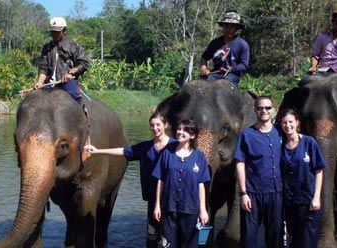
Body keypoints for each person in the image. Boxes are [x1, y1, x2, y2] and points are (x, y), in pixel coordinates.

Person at [84, 112, 174, 248]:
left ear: (165, 125)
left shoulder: (175, 146)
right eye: (152, 125)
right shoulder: (146, 147)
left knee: (169, 238)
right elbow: (124, 151)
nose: (155, 128)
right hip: (152, 199)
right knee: (152, 236)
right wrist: (97, 151)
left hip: (173, 199)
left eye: (158, 125)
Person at [234, 96, 283, 248]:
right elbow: (240, 163)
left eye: (268, 108)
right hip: (253, 193)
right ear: (255, 110)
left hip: (277, 193)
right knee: (248, 236)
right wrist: (243, 193)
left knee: (275, 237)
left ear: (273, 110)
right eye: (260, 108)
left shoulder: (281, 133)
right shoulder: (246, 135)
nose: (264, 111)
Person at [152, 119, 210, 248]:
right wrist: (157, 205)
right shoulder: (166, 153)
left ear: (193, 135)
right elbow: (160, 180)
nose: (180, 132)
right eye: (179, 129)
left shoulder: (199, 156)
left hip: (191, 209)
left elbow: (201, 184)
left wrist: (203, 210)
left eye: (184, 130)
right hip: (169, 208)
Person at [277, 108, 325, 247]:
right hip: (289, 202)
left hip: (308, 201)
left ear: (297, 122)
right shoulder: (280, 146)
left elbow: (319, 171)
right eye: (284, 122)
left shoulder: (309, 143)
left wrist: (316, 197)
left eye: (291, 122)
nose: (288, 125)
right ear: (281, 124)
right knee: (293, 240)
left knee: (308, 241)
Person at [33, 17, 90, 103]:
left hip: (66, 82)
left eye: (57, 32)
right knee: (34, 99)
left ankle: (83, 110)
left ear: (64, 31)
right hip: (49, 84)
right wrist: (40, 82)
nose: (54, 34)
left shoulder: (74, 46)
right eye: (52, 32)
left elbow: (83, 63)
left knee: (74, 95)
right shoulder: (46, 48)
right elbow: (43, 68)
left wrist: (70, 73)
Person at [200, 12, 250, 85]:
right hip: (214, 74)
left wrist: (231, 68)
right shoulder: (215, 43)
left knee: (223, 85)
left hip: (232, 75)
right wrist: (204, 68)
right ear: (222, 26)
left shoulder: (242, 44)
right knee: (200, 85)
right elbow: (205, 57)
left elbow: (244, 65)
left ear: (236, 28)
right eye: (226, 26)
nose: (228, 29)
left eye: (231, 27)